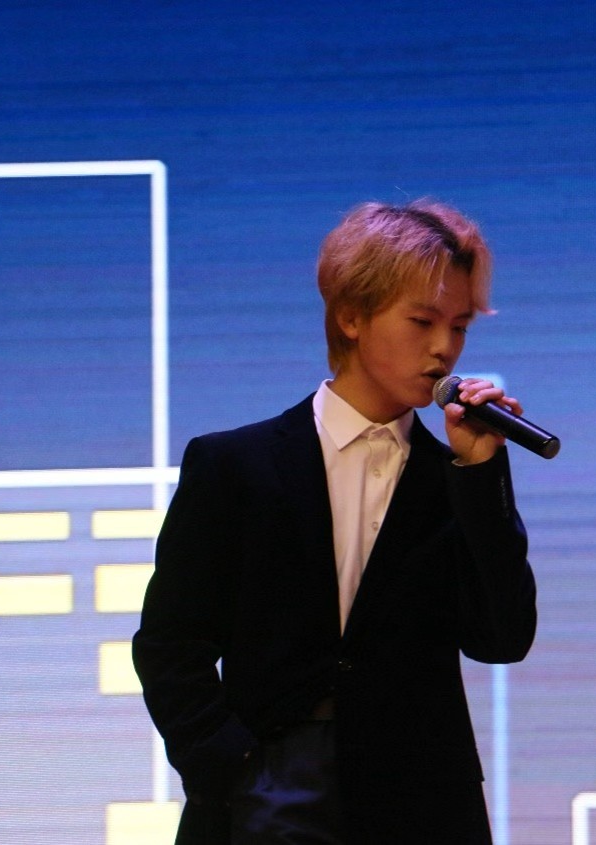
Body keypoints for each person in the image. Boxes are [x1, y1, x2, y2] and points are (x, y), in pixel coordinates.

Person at [132, 199, 538, 844]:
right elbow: (170, 644)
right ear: (351, 316)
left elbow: (501, 638)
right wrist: (230, 766)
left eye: (459, 326)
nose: (444, 348)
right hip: (265, 791)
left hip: (418, 800)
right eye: (422, 321)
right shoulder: (235, 465)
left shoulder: (456, 480)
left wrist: (481, 473)